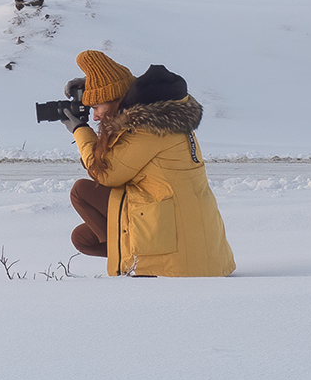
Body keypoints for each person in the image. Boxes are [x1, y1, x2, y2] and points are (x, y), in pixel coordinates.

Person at [55, 51, 235, 277]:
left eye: (97, 107)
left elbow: (106, 174)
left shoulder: (147, 130)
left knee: (81, 192)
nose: (95, 117)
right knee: (83, 237)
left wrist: (79, 130)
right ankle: (131, 252)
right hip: (190, 230)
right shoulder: (155, 115)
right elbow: (123, 91)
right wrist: (93, 87)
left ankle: (137, 261)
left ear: (115, 101)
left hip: (182, 256)